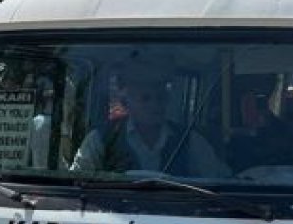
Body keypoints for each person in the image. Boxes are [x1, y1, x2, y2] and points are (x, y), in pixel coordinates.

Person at [71, 70, 230, 177]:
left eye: (161, 98)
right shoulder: (101, 138)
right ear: (127, 104)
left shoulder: (189, 139)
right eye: (145, 99)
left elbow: (219, 178)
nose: (155, 105)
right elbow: (76, 181)